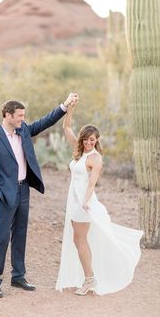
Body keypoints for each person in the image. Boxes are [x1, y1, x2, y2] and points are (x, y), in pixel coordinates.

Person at [0, 93, 78, 298]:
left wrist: (64, 105)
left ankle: (18, 276)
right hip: (5, 194)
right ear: (7, 115)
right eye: (19, 116)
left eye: (23, 116)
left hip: (23, 190)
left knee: (21, 234)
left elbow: (45, 122)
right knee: (2, 237)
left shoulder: (23, 130)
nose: (23, 119)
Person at [56, 103, 143, 295]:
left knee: (80, 240)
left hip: (83, 202)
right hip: (73, 200)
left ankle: (89, 279)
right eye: (86, 139)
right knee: (78, 239)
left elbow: (91, 183)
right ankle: (88, 277)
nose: (88, 142)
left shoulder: (95, 158)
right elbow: (66, 128)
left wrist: (86, 201)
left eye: (92, 140)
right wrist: (70, 109)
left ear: (97, 140)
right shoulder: (78, 152)